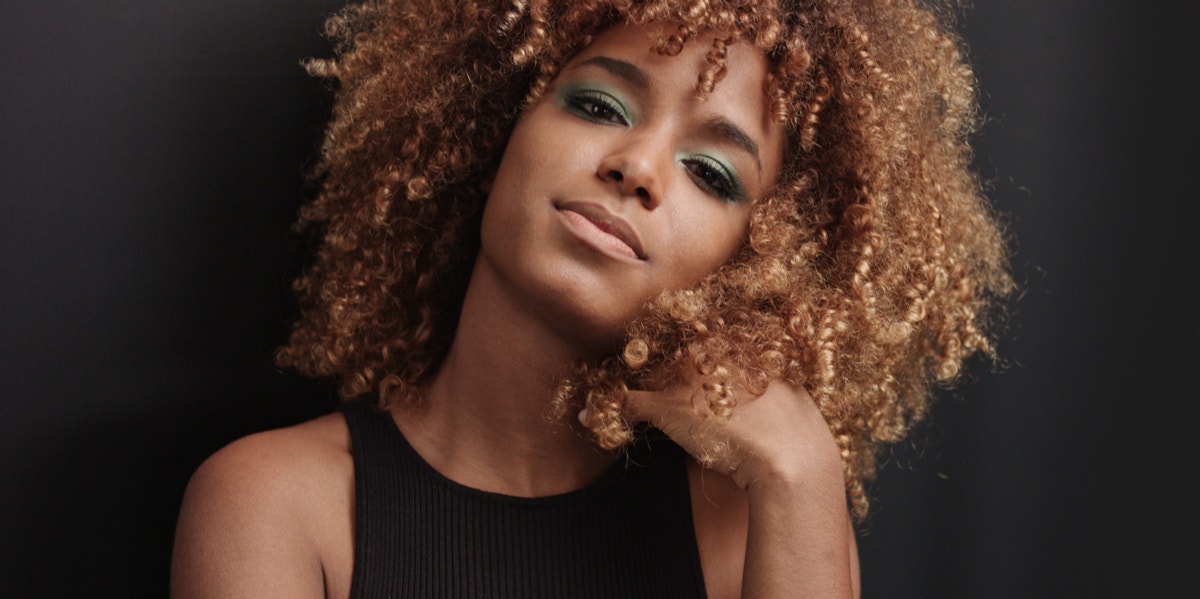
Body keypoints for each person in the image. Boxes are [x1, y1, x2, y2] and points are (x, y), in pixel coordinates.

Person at [170, 0, 1014, 597]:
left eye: (711, 173)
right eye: (598, 104)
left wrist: (802, 476)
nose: (637, 168)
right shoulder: (278, 505)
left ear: (762, 260)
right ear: (495, 124)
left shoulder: (759, 531)